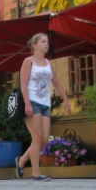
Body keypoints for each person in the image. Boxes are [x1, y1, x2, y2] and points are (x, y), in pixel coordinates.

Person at [14, 33, 70, 181]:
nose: (47, 44)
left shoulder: (48, 63)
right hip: (32, 103)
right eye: (43, 42)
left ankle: (21, 161)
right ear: (35, 45)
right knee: (37, 138)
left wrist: (65, 100)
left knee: (44, 140)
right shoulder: (28, 61)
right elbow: (23, 85)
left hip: (46, 104)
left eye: (47, 42)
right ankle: (36, 173)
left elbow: (57, 83)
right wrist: (27, 104)